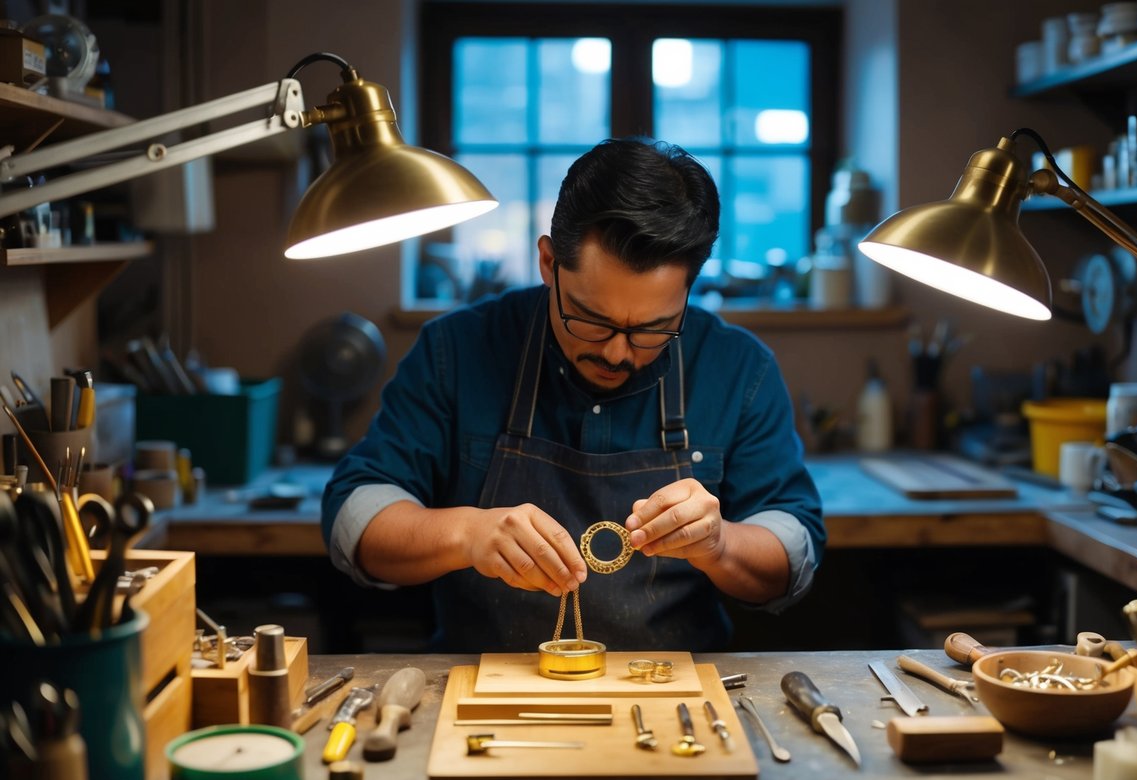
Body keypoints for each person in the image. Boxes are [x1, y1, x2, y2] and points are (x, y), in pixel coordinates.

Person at [322, 137, 825, 652]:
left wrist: (721, 544)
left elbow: (794, 553)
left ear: (689, 292)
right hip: (487, 689)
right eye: (590, 320)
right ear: (547, 262)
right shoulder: (458, 349)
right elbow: (353, 519)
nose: (616, 353)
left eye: (653, 329)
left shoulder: (739, 368)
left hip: (674, 697)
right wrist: (467, 534)